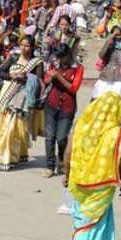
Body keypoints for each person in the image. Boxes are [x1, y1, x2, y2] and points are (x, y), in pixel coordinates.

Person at [65, 92, 121, 240]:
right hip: (101, 187)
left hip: (77, 181)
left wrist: (66, 176)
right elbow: (120, 160)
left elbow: (68, 152)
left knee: (82, 220)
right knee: (96, 223)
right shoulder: (116, 134)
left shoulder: (81, 124)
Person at [0, 35, 43, 171]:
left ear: (32, 47)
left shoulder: (37, 62)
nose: (24, 48)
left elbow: (40, 81)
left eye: (27, 46)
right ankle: (5, 156)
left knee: (18, 128)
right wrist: (12, 76)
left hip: (23, 98)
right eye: (22, 45)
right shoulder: (14, 57)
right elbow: (1, 72)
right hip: (9, 94)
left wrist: (27, 77)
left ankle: (14, 154)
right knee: (7, 127)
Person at [42, 43, 84, 178]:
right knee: (49, 137)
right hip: (51, 104)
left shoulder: (78, 68)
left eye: (62, 57)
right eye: (58, 57)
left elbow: (74, 88)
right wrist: (49, 77)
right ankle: (50, 166)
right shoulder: (54, 64)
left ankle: (61, 160)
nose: (60, 60)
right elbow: (46, 81)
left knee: (61, 138)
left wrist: (58, 77)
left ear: (68, 55)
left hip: (67, 107)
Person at [93, 26, 121, 101]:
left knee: (115, 100)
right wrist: (108, 41)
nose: (116, 37)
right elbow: (101, 55)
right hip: (107, 74)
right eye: (114, 35)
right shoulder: (110, 45)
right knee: (101, 99)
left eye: (118, 35)